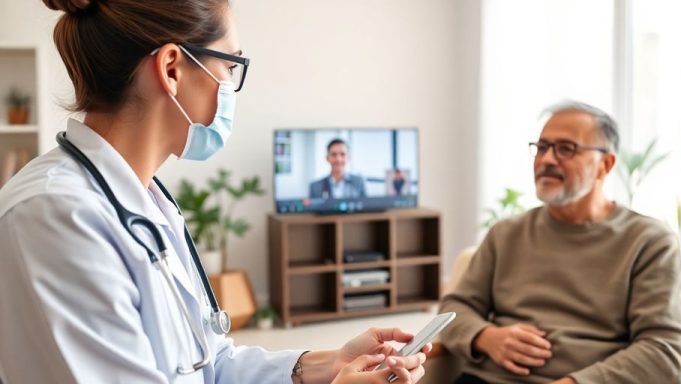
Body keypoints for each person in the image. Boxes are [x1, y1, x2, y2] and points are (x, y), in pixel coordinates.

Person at [0, 1, 429, 383]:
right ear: (172, 69)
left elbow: (210, 365)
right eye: (230, 66)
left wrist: (327, 364)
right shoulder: (56, 217)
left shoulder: (148, 201)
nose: (231, 87)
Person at [438, 101, 681, 384]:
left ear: (605, 165)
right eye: (542, 147)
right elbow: (453, 308)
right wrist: (486, 337)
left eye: (565, 148)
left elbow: (665, 352)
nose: (547, 159)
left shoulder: (649, 241)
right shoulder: (506, 233)